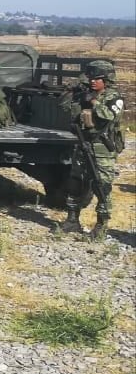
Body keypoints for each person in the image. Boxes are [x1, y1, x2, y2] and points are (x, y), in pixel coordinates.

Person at [59, 59, 125, 239]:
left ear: (107, 80)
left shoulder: (114, 97)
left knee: (101, 185)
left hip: (102, 148)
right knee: (75, 182)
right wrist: (70, 92)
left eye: (97, 79)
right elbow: (64, 108)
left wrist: (94, 102)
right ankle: (72, 220)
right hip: (83, 144)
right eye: (91, 78)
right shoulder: (85, 93)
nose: (92, 81)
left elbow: (108, 114)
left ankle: (101, 227)